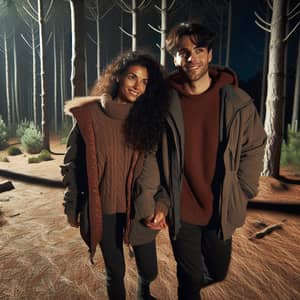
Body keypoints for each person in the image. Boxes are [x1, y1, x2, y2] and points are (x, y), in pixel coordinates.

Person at [154, 23, 266, 300]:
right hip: (182, 210)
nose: (192, 58)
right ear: (175, 58)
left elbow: (254, 145)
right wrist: (160, 198)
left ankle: (190, 282)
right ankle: (188, 286)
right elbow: (150, 154)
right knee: (189, 277)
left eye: (199, 50)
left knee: (217, 271)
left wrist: (243, 189)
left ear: (210, 54)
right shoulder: (163, 104)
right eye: (184, 52)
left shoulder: (237, 101)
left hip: (220, 207)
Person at [61, 51, 170, 300]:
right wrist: (72, 206)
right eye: (132, 77)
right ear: (118, 76)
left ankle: (144, 294)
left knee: (150, 270)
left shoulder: (150, 120)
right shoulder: (89, 116)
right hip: (105, 209)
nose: (137, 86)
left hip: (140, 208)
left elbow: (160, 172)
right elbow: (72, 166)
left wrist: (162, 204)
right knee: (115, 271)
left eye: (144, 81)